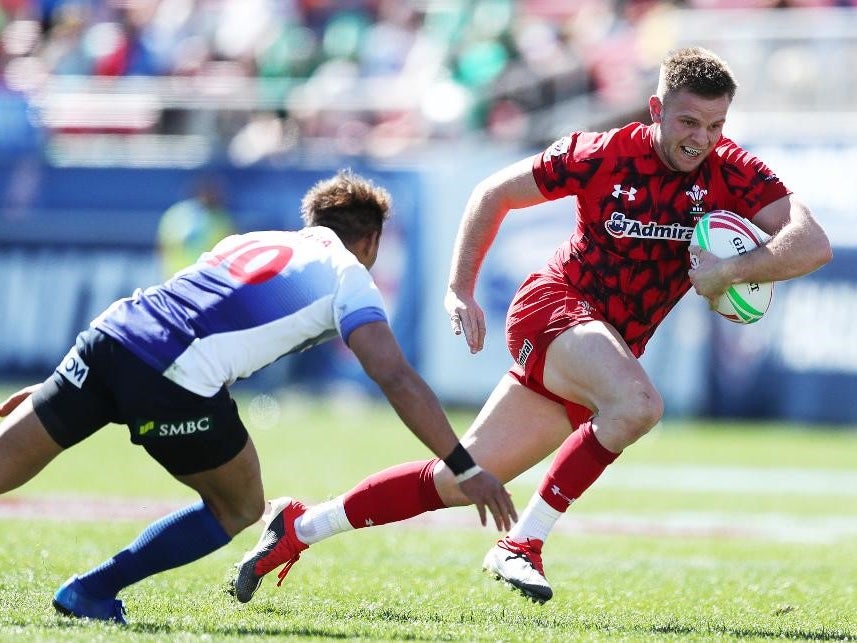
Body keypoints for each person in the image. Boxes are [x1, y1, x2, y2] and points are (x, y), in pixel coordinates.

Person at [230, 46, 832, 605]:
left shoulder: (733, 169)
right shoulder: (603, 153)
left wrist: (732, 270)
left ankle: (299, 526)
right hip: (554, 309)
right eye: (687, 123)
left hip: (604, 345)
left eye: (715, 126)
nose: (701, 140)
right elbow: (492, 194)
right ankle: (522, 543)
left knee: (460, 479)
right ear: (657, 110)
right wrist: (460, 289)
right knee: (638, 404)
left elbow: (812, 243)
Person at [0, 169, 516, 625]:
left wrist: (63, 389)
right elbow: (394, 376)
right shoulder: (349, 275)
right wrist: (463, 466)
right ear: (371, 241)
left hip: (110, 335)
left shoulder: (247, 241)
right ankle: (90, 591)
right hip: (172, 373)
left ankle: (89, 588)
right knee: (240, 506)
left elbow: (172, 312)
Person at [156, 178, 235, 279]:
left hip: (205, 277)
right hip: (179, 275)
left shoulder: (221, 218)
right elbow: (162, 245)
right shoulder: (178, 213)